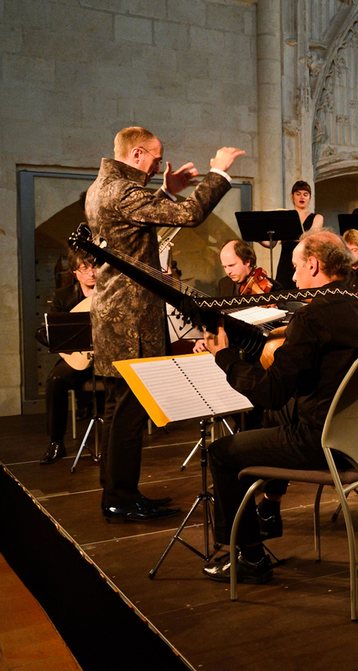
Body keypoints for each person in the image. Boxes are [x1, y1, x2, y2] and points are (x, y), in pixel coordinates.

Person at [202, 230, 358, 583]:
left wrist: (225, 356)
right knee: (273, 416)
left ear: (314, 265)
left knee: (222, 452)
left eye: (295, 267)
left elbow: (271, 391)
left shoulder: (311, 318)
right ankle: (269, 509)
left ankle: (250, 556)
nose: (291, 277)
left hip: (323, 444)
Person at [85, 126, 241, 522]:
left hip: (114, 312)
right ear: (136, 154)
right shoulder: (122, 191)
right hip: (131, 315)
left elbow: (137, 221)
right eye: (155, 158)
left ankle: (118, 494)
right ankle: (120, 497)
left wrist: (166, 192)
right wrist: (218, 173)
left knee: (121, 410)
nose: (158, 165)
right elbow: (190, 215)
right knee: (130, 412)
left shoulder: (104, 187)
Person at [35, 250, 96, 465]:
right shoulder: (64, 297)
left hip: (106, 357)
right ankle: (56, 443)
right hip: (77, 357)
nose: (91, 273)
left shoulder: (110, 294)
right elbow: (46, 332)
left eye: (94, 267)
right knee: (55, 381)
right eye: (85, 268)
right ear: (75, 272)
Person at [269, 180, 324, 289]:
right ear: (292, 196)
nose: (301, 197)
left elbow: (310, 239)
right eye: (298, 194)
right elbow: (271, 243)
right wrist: (256, 235)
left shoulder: (317, 217)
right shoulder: (283, 217)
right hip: (285, 261)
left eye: (305, 194)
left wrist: (290, 239)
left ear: (310, 197)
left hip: (304, 261)